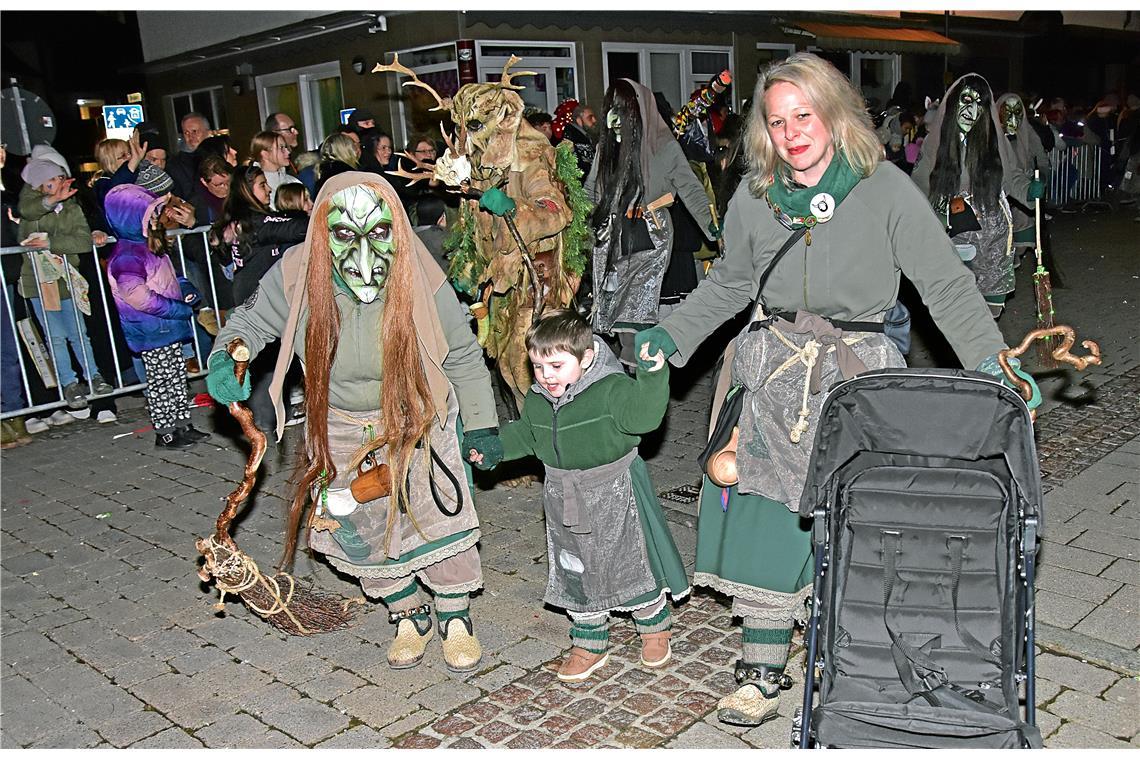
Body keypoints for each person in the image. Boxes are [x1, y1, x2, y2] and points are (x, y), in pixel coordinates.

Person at [633, 52, 1041, 728]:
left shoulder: (883, 190)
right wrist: (670, 336)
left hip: (858, 373)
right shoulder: (755, 198)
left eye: (805, 114)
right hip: (772, 366)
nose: (794, 131)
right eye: (777, 120)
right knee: (763, 505)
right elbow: (733, 284)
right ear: (765, 132)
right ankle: (763, 662)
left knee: (851, 512)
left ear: (832, 113)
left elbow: (944, 285)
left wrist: (995, 366)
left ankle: (849, 648)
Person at [205, 171, 499, 673]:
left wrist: (482, 424)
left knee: (433, 518)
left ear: (396, 229)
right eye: (344, 235)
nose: (364, 254)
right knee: (354, 523)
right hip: (339, 421)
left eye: (378, 234)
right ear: (323, 230)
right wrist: (229, 355)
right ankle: (407, 613)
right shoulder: (298, 271)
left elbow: (464, 355)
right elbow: (250, 323)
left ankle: (454, 616)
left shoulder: (421, 271)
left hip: (416, 416)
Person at [466, 309, 688, 681]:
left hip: (615, 489)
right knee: (575, 565)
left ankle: (653, 626)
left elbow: (644, 418)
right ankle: (589, 640)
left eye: (555, 365)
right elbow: (528, 435)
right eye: (538, 367)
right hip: (563, 494)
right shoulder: (540, 399)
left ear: (586, 358)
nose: (546, 376)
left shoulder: (611, 389)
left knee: (628, 561)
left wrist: (652, 374)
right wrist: (495, 449)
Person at [584, 78, 716, 366]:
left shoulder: (664, 147)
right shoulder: (607, 150)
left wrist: (714, 229)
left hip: (649, 235)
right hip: (612, 238)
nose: (614, 118)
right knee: (616, 315)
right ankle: (631, 380)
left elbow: (690, 188)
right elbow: (590, 191)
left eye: (622, 109)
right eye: (611, 109)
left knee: (637, 315)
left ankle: (642, 379)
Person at [911, 74, 1042, 318]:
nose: (972, 108)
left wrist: (1028, 190)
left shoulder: (994, 141)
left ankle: (987, 351)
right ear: (953, 103)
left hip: (992, 234)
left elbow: (1011, 177)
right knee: (958, 307)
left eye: (979, 102)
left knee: (990, 308)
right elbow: (918, 186)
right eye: (966, 99)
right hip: (954, 231)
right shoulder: (935, 142)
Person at [103, 185, 209, 449]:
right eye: (148, 216)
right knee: (161, 382)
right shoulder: (127, 256)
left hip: (168, 326)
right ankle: (166, 431)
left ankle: (183, 424)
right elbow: (137, 296)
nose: (155, 220)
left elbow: (169, 278)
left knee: (176, 376)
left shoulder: (148, 246)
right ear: (130, 220)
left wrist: (186, 290)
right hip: (152, 330)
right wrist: (177, 309)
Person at [208, 164, 309, 434]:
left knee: (266, 356)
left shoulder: (235, 222)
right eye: (262, 185)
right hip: (258, 292)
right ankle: (266, 417)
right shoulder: (255, 221)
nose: (268, 190)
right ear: (246, 189)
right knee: (269, 358)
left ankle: (267, 412)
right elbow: (292, 229)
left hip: (247, 288)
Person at [17, 158, 111, 410]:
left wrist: (51, 244)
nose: (59, 184)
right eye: (52, 181)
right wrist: (50, 203)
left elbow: (82, 240)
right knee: (56, 336)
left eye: (60, 178)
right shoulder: (32, 210)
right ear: (40, 186)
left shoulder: (71, 208)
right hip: (42, 283)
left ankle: (94, 376)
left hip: (68, 279)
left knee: (80, 333)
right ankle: (69, 383)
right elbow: (28, 217)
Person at [997, 92, 1051, 262]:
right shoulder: (991, 136)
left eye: (1017, 111)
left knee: (1021, 237)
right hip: (996, 194)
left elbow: (1042, 159)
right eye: (1007, 110)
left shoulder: (1028, 132)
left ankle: (1015, 256)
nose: (1012, 117)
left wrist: (1040, 178)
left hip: (1021, 188)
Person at [249, 131, 302, 209]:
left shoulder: (293, 181)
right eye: (281, 148)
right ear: (265, 154)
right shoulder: (254, 186)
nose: (288, 152)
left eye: (286, 147)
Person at [167, 112, 211, 201]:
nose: (191, 136)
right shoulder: (175, 165)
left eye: (195, 131)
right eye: (186, 133)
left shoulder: (221, 157)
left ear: (208, 133)